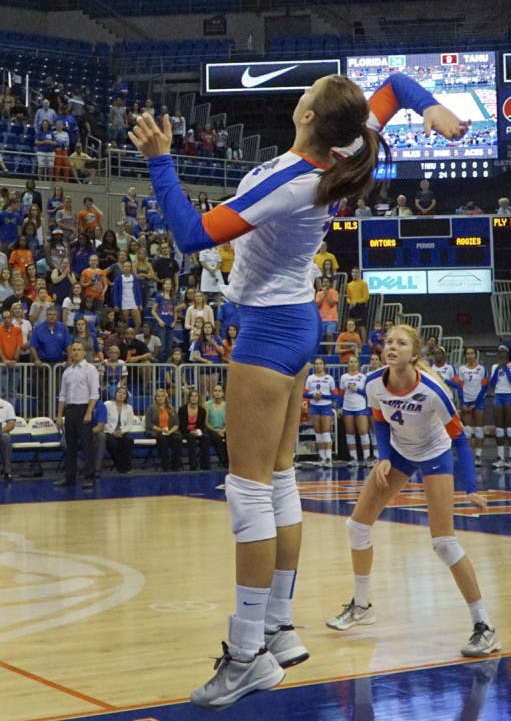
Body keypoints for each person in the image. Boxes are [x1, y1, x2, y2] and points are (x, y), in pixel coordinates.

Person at [129, 69, 470, 708]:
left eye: (309, 91)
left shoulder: (295, 180)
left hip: (267, 328)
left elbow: (192, 235)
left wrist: (161, 161)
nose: (303, 93)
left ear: (310, 115)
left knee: (248, 493)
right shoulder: (344, 151)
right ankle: (280, 628)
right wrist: (435, 109)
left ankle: (246, 654)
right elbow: (394, 86)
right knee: (279, 481)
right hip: (294, 321)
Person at [325, 325, 500, 658]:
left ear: (414, 354)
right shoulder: (373, 382)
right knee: (357, 526)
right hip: (400, 451)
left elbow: (460, 439)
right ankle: (362, 606)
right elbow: (378, 419)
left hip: (435, 452)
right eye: (389, 341)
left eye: (401, 343)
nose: (392, 346)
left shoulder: (433, 390)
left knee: (443, 543)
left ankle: (485, 627)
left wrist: (472, 488)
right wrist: (385, 458)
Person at [54, 340, 99, 489]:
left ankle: (89, 477)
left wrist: (88, 412)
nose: (76, 352)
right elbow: (62, 395)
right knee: (70, 445)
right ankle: (69, 477)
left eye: (79, 350)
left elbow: (94, 393)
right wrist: (60, 415)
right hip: (71, 410)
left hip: (83, 408)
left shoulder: (90, 369)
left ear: (84, 352)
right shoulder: (67, 371)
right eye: (73, 350)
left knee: (87, 445)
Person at [453, 347, 488, 467]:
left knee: (479, 429)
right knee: (467, 431)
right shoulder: (461, 369)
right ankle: (468, 456)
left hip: (478, 402)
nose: (469, 356)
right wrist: (462, 402)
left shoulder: (482, 369)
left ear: (476, 355)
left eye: (472, 353)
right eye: (467, 354)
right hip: (466, 402)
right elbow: (459, 387)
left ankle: (478, 456)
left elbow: (484, 387)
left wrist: (476, 403)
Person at [488, 346, 511, 469]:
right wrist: (498, 369)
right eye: (499, 352)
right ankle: (500, 457)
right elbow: (491, 384)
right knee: (499, 429)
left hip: (510, 395)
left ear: (508, 353)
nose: (501, 353)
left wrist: (505, 368)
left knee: (510, 428)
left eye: (503, 351)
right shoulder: (494, 367)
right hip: (498, 395)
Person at [303, 356, 337, 467]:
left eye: (320, 363)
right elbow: (304, 394)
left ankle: (328, 458)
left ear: (324, 365)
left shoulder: (329, 378)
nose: (318, 366)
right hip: (314, 406)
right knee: (318, 432)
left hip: (325, 406)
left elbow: (335, 395)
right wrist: (313, 395)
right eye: (316, 364)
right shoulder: (310, 378)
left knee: (326, 432)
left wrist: (323, 396)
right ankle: (322, 458)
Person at [339, 355, 371, 467]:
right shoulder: (344, 377)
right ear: (348, 364)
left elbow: (367, 393)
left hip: (360, 407)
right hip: (347, 407)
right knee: (350, 433)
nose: (352, 364)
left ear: (358, 363)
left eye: (354, 361)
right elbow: (341, 393)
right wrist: (339, 406)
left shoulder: (363, 377)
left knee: (363, 431)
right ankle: (353, 458)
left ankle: (367, 457)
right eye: (350, 362)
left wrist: (357, 390)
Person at [145, 387, 183, 471]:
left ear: (166, 397)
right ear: (155, 398)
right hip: (156, 432)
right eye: (158, 396)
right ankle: (165, 465)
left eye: (162, 396)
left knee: (178, 438)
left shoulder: (171, 409)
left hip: (169, 432)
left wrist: (170, 431)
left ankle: (175, 464)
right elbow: (149, 425)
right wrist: (161, 430)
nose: (160, 398)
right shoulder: (150, 409)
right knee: (162, 439)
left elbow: (176, 424)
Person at [178, 387, 211, 471]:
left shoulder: (202, 411)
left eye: (196, 396)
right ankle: (193, 465)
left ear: (198, 398)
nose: (193, 398)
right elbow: (181, 426)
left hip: (197, 431)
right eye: (191, 396)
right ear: (189, 398)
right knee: (191, 438)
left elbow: (202, 425)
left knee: (206, 437)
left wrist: (198, 431)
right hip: (186, 432)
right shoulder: (182, 410)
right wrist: (190, 431)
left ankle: (205, 464)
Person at [0, 307, 24, 406]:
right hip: (2, 365)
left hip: (15, 364)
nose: (7, 320)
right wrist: (5, 360)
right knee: (3, 391)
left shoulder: (18, 330)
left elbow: (19, 346)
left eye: (8, 317)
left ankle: (11, 414)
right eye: (4, 318)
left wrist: (14, 360)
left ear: (12, 318)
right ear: (2, 319)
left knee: (13, 391)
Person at [205, 382, 228, 467]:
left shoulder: (227, 405)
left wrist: (223, 430)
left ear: (223, 393)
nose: (217, 392)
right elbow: (206, 423)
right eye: (215, 391)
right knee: (217, 437)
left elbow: (229, 422)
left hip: (224, 429)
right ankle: (224, 461)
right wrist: (217, 431)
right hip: (211, 429)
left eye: (219, 391)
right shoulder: (207, 405)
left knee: (231, 437)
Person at [315, 276, 339, 354]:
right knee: (320, 336)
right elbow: (317, 305)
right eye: (324, 282)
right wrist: (323, 295)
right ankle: (320, 353)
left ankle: (329, 353)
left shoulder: (334, 292)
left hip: (332, 318)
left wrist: (326, 294)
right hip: (321, 318)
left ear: (330, 283)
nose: (325, 283)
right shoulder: (318, 293)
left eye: (327, 282)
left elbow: (331, 304)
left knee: (329, 334)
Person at [345, 266, 369, 339]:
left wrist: (356, 302)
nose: (354, 274)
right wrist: (350, 302)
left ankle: (364, 343)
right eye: (353, 272)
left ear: (359, 273)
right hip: (352, 307)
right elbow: (348, 297)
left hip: (361, 307)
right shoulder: (349, 285)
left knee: (362, 327)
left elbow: (366, 297)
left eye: (356, 272)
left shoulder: (363, 284)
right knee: (353, 326)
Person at [0, 391, 16, 481]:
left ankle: (7, 471)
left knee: (6, 438)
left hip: (2, 432)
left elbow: (11, 424)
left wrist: (1, 430)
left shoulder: (7, 405)